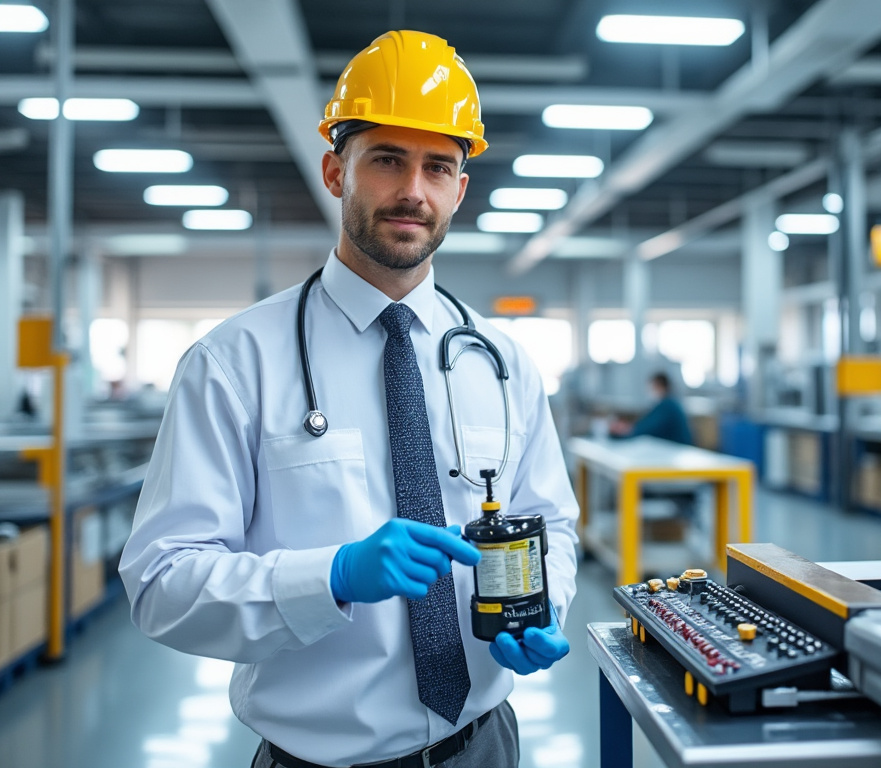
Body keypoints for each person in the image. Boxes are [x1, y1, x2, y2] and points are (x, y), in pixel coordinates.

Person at [119, 30, 578, 768]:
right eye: (387, 160)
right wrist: (327, 576)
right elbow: (161, 581)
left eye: (438, 167)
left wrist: (543, 599)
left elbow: (551, 521)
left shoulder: (503, 363)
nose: (412, 191)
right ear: (336, 172)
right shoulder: (235, 363)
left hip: (486, 746)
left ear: (460, 189)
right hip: (317, 760)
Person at [610, 372, 692, 445]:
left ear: (660, 386)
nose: (650, 390)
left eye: (653, 386)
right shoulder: (668, 404)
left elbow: (646, 429)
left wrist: (623, 433)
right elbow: (646, 423)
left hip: (677, 451)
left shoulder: (668, 406)